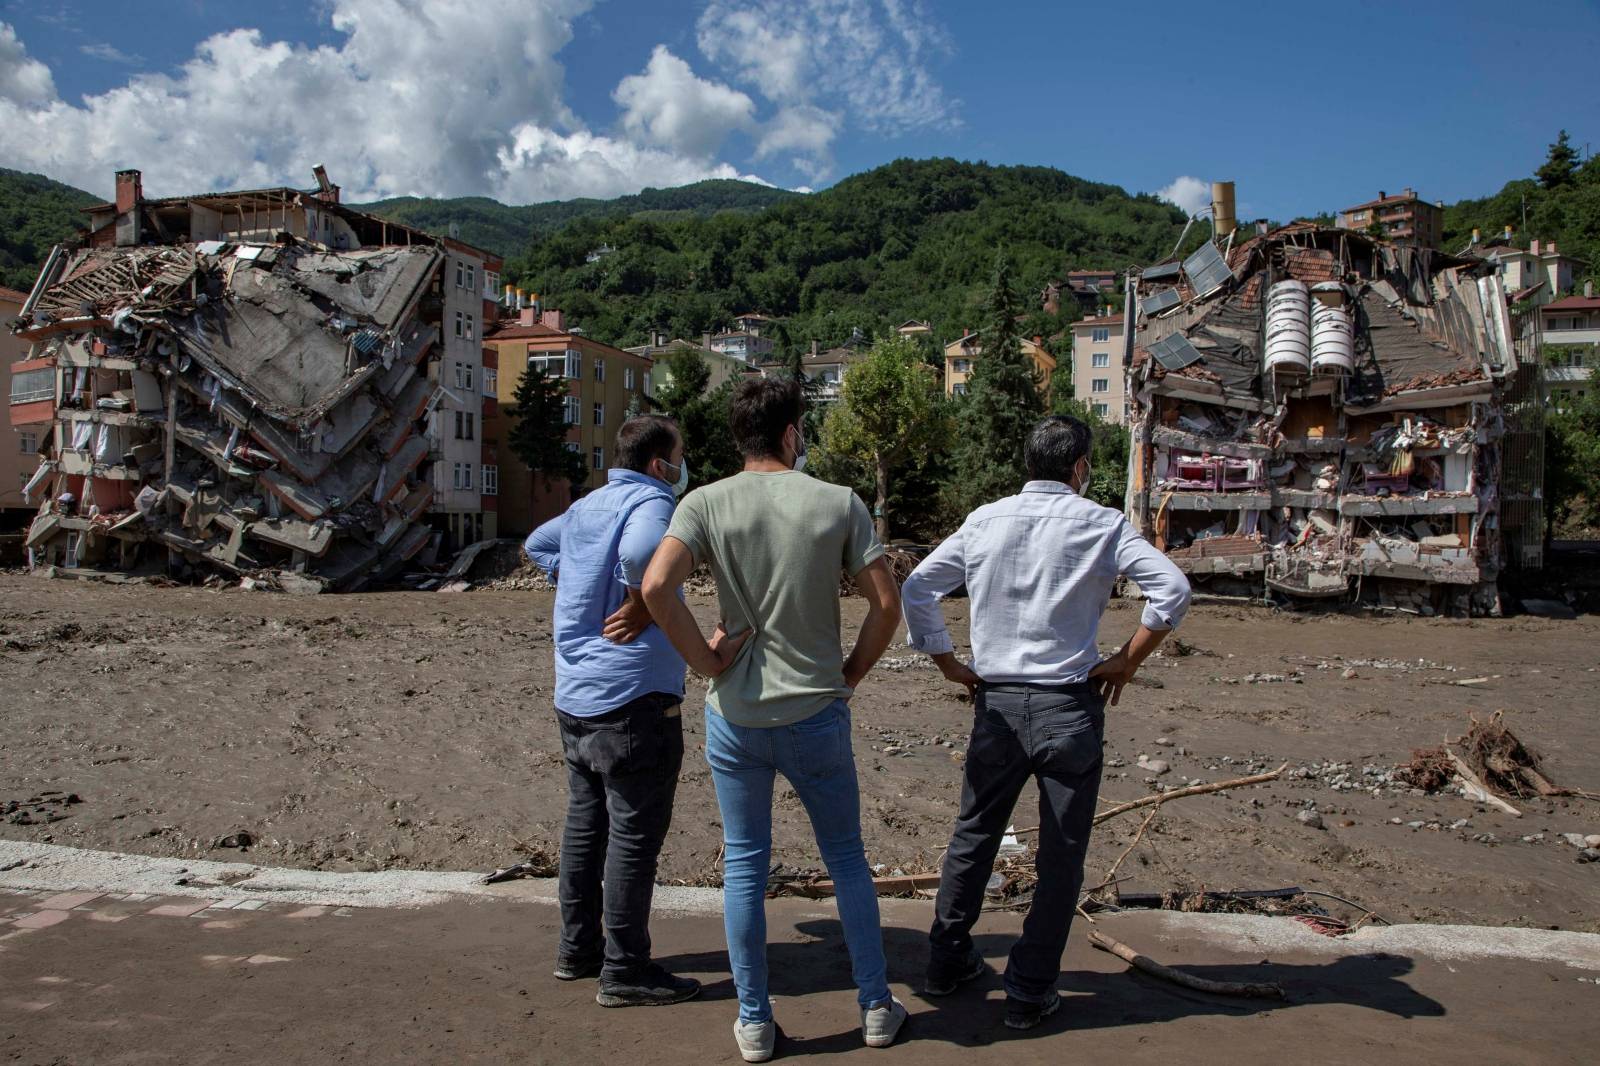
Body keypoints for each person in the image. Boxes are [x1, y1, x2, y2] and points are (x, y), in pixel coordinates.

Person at [641, 377, 907, 1062]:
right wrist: (849, 673)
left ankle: (755, 1021)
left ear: (740, 437)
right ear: (792, 433)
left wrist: (704, 660)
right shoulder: (837, 503)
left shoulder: (702, 502)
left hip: (735, 713)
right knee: (846, 859)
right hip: (817, 708)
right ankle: (876, 1007)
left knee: (744, 866)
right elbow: (886, 605)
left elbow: (654, 587)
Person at [900, 414, 1192, 1030]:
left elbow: (919, 586)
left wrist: (948, 662)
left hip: (998, 703)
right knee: (1061, 855)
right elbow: (1172, 589)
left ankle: (945, 962)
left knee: (974, 835)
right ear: (1080, 468)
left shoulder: (985, 520)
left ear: (1028, 463)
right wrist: (1125, 662)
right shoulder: (1104, 523)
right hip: (1069, 706)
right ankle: (1030, 990)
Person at [523, 414, 737, 1008]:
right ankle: (625, 971)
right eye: (681, 455)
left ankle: (578, 951)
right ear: (658, 464)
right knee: (633, 839)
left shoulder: (590, 506)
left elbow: (538, 543)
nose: (684, 465)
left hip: (576, 694)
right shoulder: (653, 503)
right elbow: (646, 551)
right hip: (633, 698)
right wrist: (647, 595)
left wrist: (581, 580)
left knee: (586, 827)